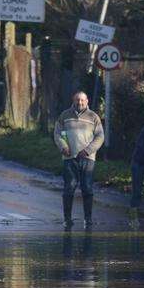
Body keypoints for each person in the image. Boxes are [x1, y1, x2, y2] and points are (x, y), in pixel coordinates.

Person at [54, 91, 104, 228]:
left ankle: (88, 218)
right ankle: (67, 218)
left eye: (82, 100)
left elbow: (100, 137)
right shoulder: (65, 115)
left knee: (87, 188)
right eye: (77, 100)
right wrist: (63, 147)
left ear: (87, 101)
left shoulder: (93, 117)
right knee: (69, 187)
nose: (80, 103)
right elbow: (58, 133)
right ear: (73, 100)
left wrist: (88, 150)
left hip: (88, 158)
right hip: (69, 157)